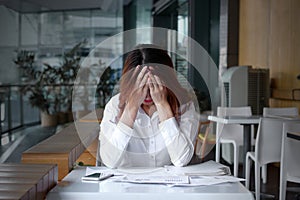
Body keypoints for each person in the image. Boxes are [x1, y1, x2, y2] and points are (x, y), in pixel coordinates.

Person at [99, 44, 199, 168]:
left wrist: (163, 105)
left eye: (154, 85)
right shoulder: (115, 105)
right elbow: (109, 161)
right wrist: (131, 107)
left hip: (168, 184)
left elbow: (181, 160)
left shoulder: (184, 106)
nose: (147, 94)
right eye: (140, 86)